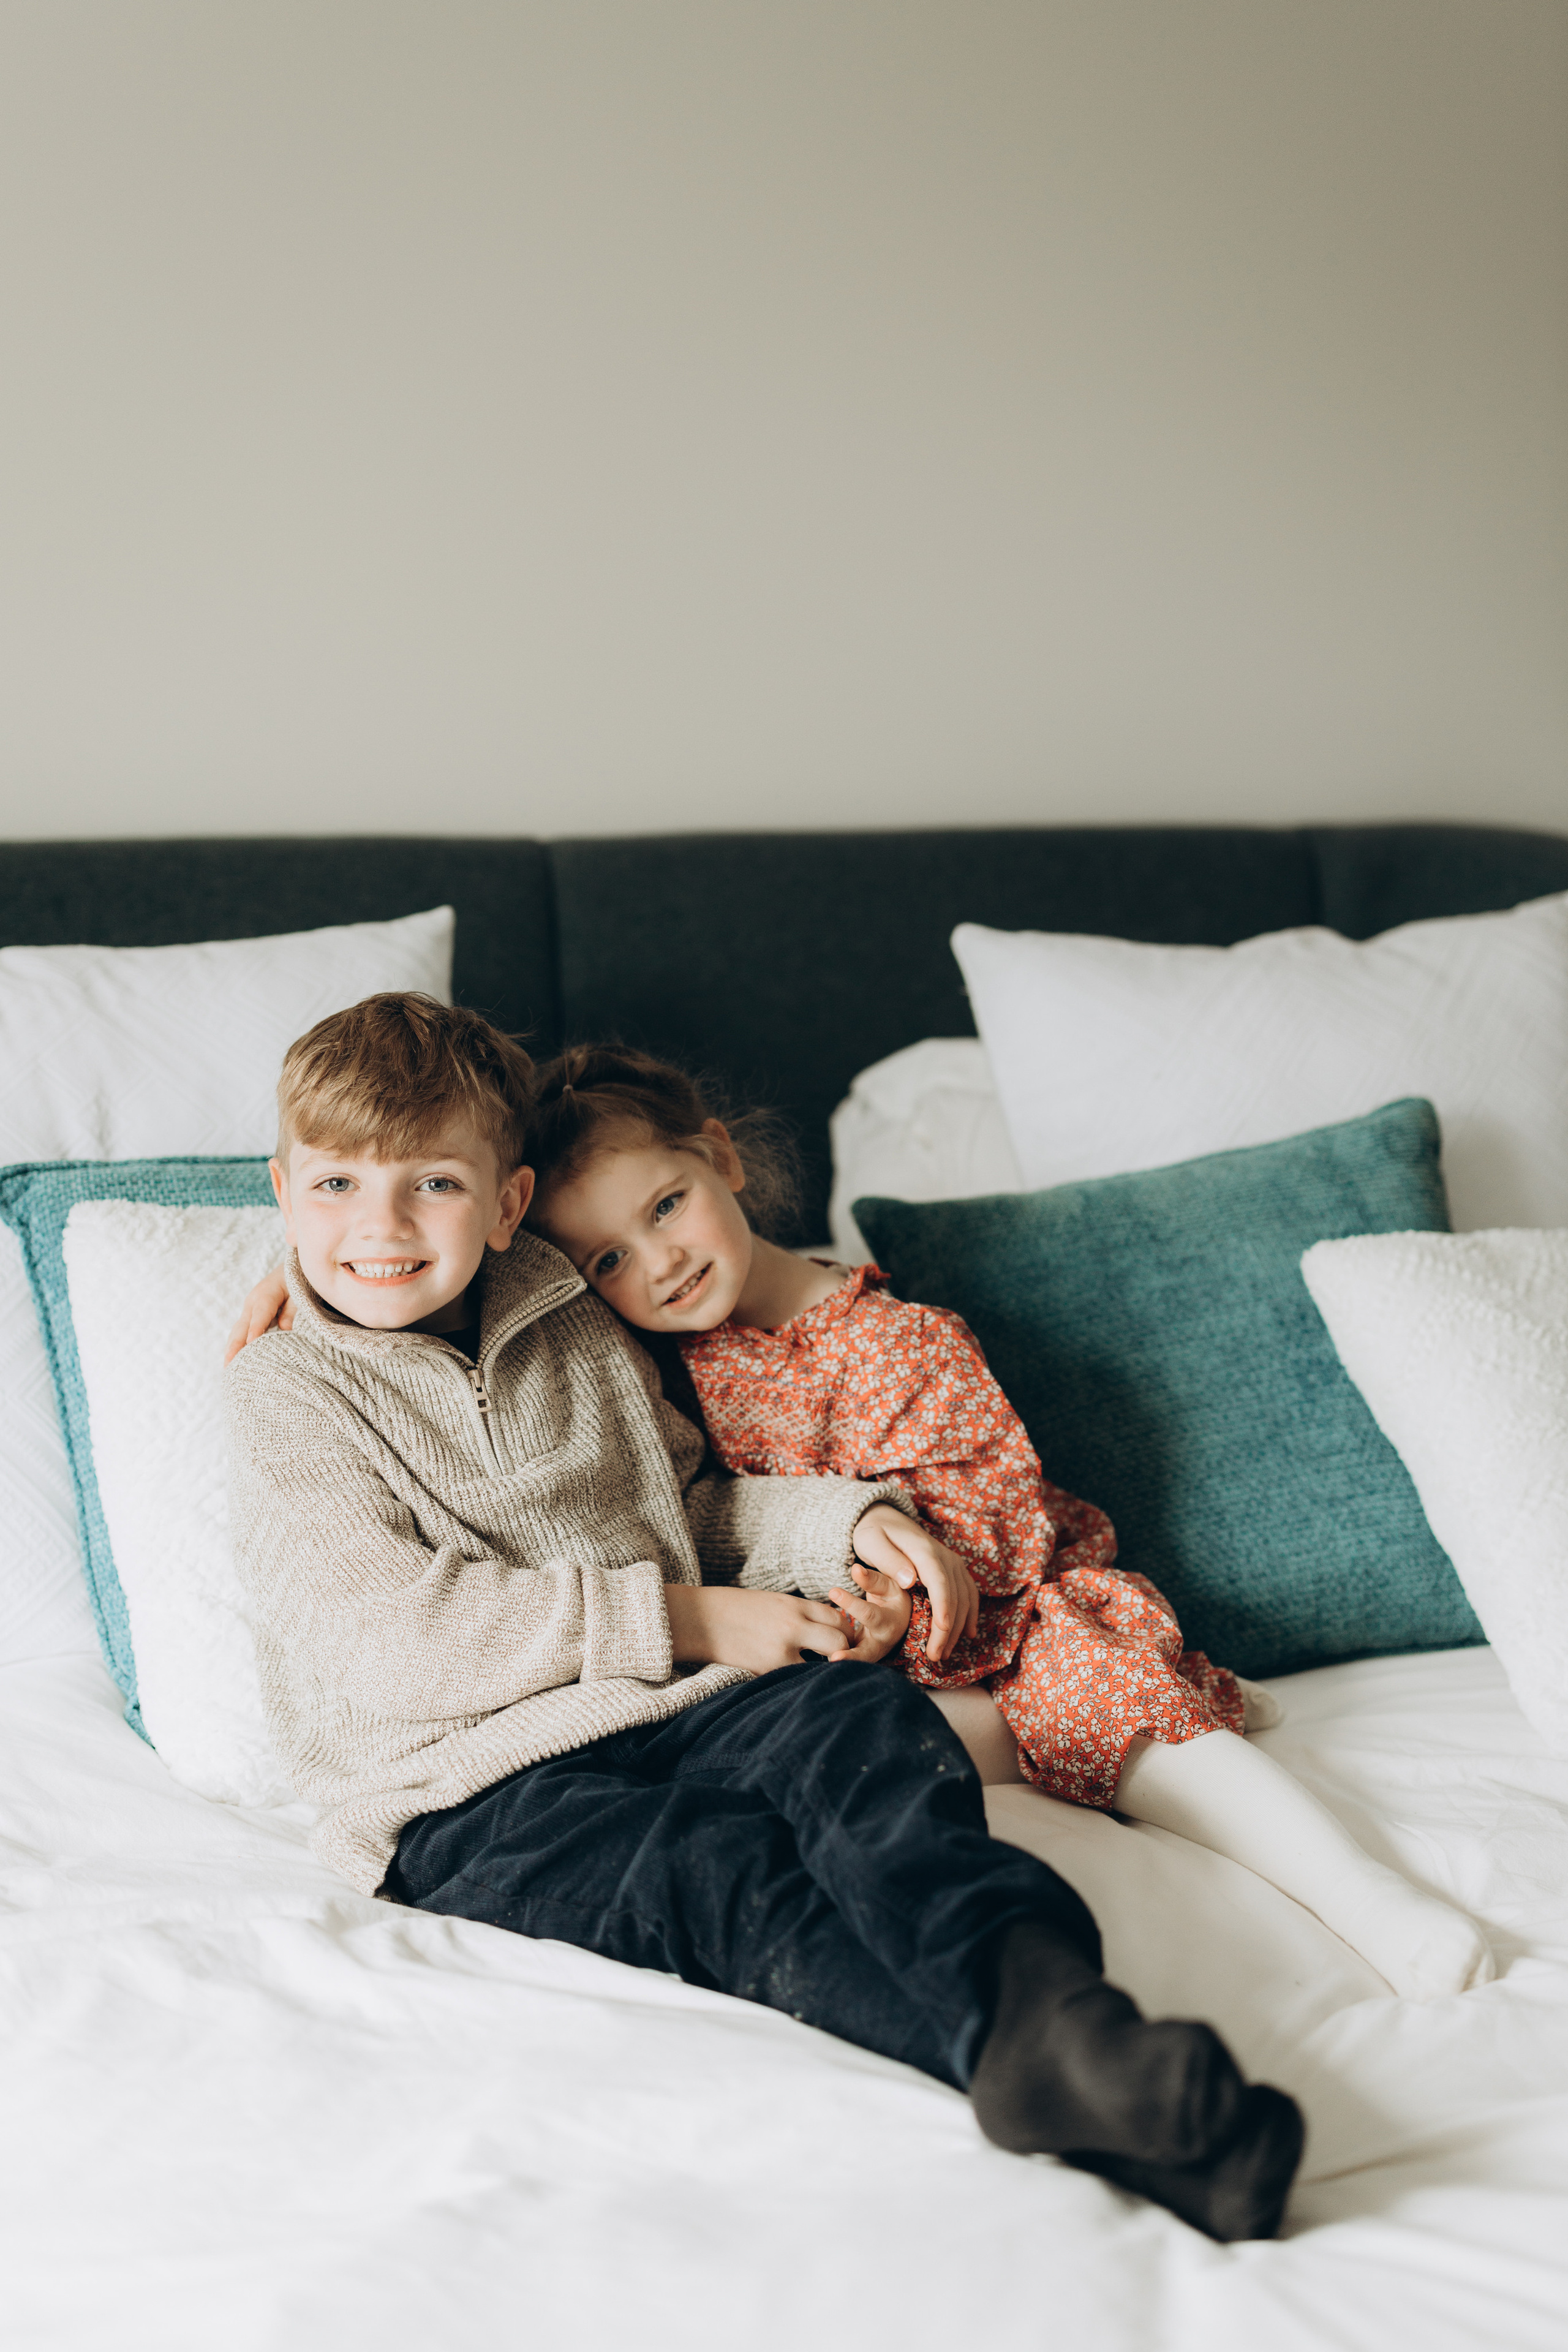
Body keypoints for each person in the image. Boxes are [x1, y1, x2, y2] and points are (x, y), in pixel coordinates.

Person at [223, 991, 1303, 2244]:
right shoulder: (286, 1390)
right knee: (712, 1876)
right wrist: (687, 1619)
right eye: (337, 1186)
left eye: (433, 1187)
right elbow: (390, 1640)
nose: (382, 1227)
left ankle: (1057, 2016)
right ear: (282, 1188)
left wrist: (847, 1524)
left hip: (682, 1701)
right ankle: (1047, 2073)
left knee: (861, 1734)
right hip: (462, 1786)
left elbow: (688, 1497)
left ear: (509, 1201)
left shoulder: (567, 1306)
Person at [514, 1044, 1495, 2008]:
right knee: (787, 1763)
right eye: (610, 1259)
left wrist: (895, 1598)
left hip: (1004, 1622)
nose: (662, 1261)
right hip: (836, 1667)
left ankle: (1363, 1895)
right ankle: (1182, 1683)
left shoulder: (897, 1338)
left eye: (666, 1206)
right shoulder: (657, 1380)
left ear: (721, 1160)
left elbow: (999, 1532)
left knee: (1096, 1702)